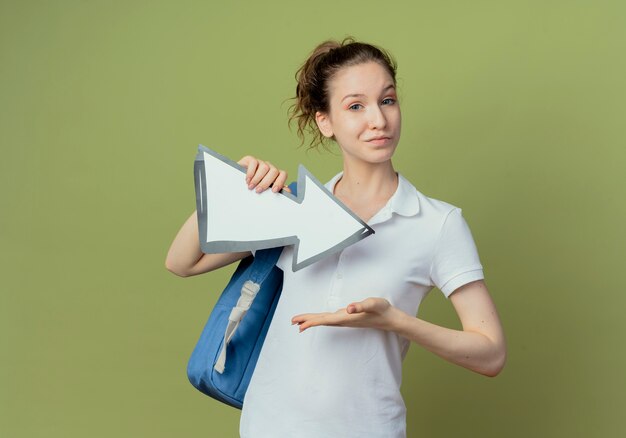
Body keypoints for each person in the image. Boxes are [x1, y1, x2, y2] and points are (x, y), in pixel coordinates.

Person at [165, 37, 506, 438]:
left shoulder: (437, 223)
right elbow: (182, 262)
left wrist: (395, 321)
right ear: (324, 121)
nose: (378, 120)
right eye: (356, 106)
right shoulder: (289, 207)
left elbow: (490, 353)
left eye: (388, 100)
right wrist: (232, 190)